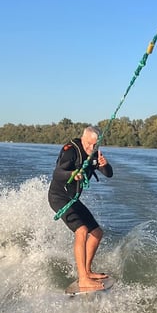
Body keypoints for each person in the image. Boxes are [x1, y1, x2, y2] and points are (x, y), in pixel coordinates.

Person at [48, 125, 113, 291]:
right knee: (82, 231)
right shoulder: (70, 150)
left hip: (73, 199)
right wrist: (71, 174)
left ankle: (88, 271)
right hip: (58, 197)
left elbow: (109, 173)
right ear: (83, 139)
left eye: (95, 145)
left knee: (97, 233)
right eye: (89, 144)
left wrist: (105, 165)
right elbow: (57, 173)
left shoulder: (94, 153)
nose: (91, 148)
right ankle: (83, 278)